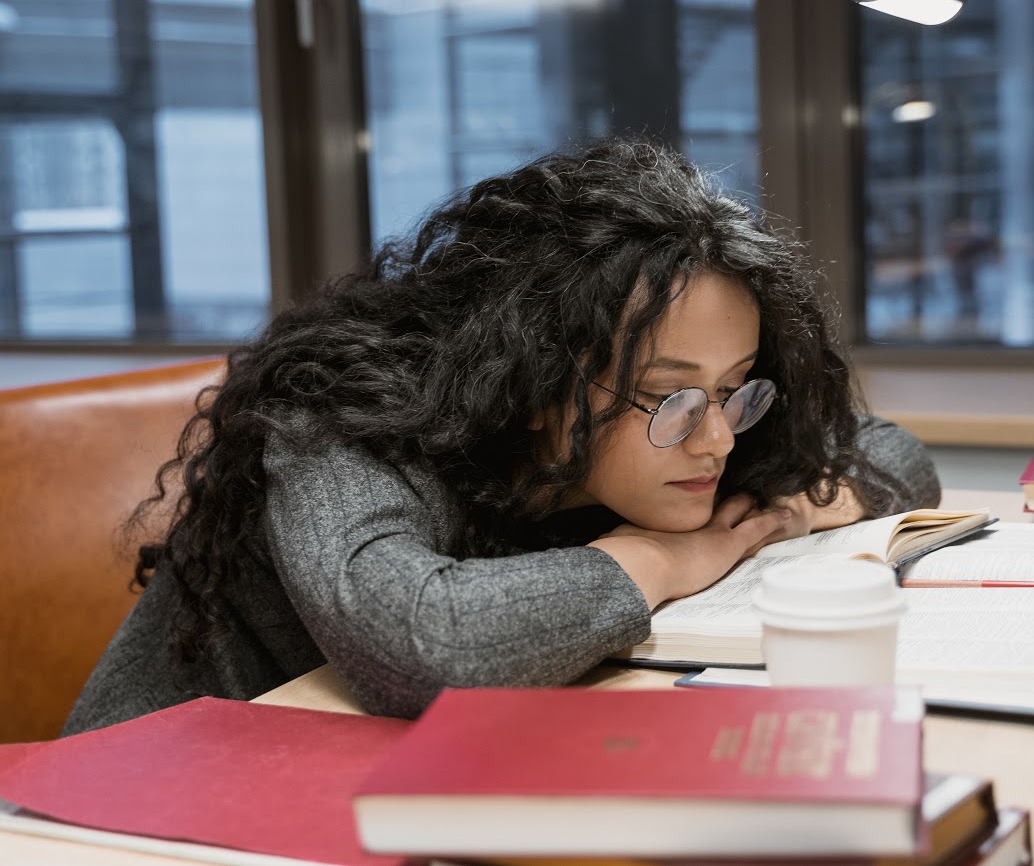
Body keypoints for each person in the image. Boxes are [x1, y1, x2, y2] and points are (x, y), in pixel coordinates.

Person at [64, 139, 940, 732]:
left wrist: (778, 510)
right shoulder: (340, 420)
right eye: (672, 401)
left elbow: (893, 453)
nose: (717, 442)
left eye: (735, 392)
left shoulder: (696, 438)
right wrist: (666, 560)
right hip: (138, 813)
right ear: (535, 380)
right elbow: (422, 643)